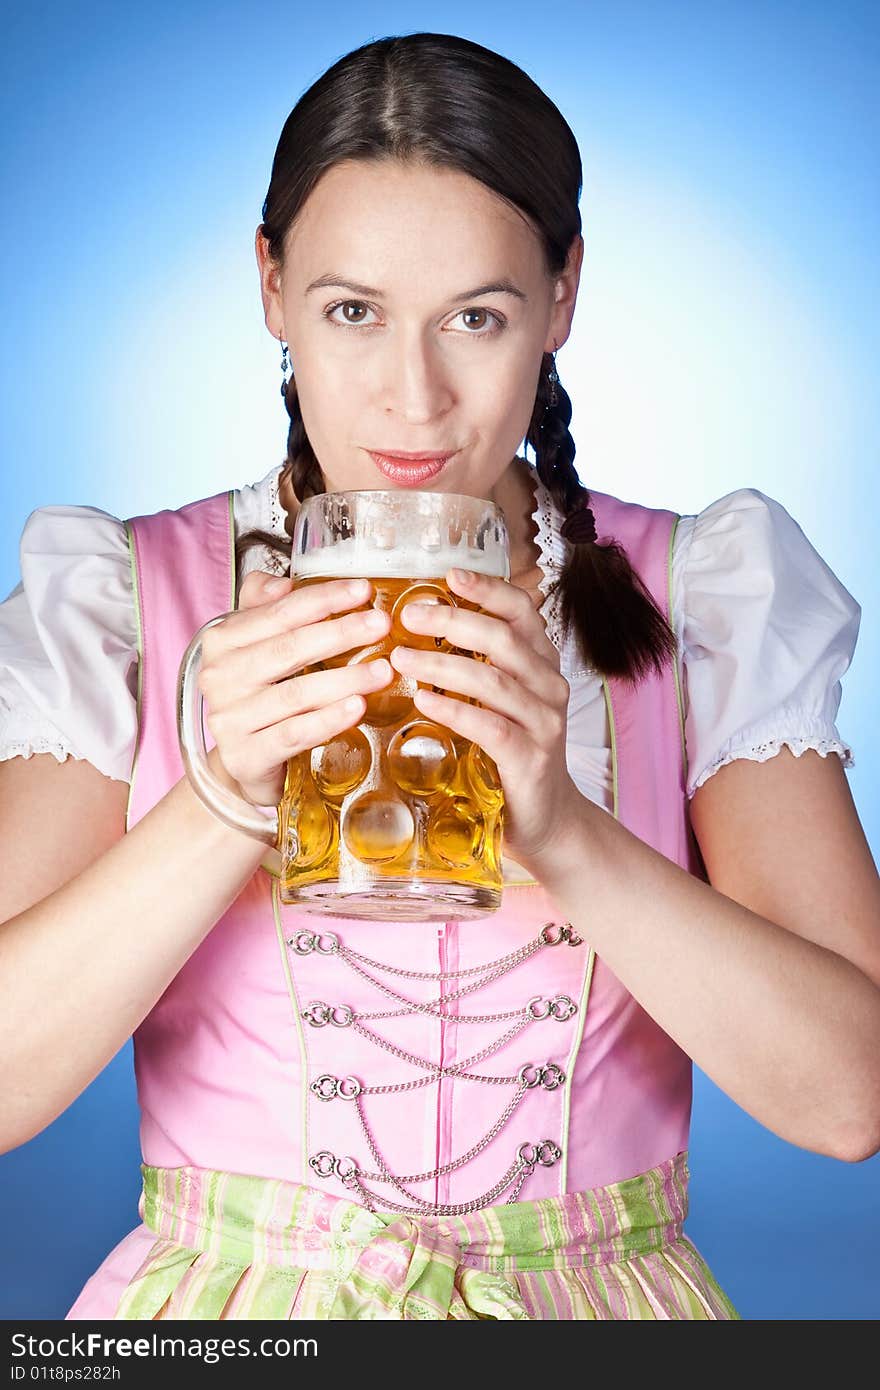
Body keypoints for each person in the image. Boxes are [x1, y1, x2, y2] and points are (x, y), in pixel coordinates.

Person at [1, 31, 878, 1323]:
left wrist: (568, 832)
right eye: (352, 312)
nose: (412, 401)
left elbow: (853, 1098)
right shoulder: (127, 596)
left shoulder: (699, 590)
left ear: (563, 296)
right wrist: (220, 799)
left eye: (479, 316)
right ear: (271, 285)